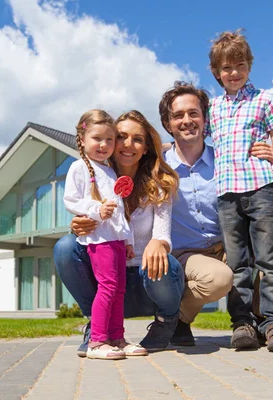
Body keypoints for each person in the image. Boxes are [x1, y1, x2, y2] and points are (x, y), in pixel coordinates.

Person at [157, 81, 273, 349]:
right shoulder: (160, 166)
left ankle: (264, 322)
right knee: (219, 277)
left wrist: (269, 157)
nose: (187, 121)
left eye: (194, 113)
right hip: (187, 255)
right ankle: (177, 318)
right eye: (178, 116)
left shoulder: (227, 160)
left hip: (227, 245)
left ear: (206, 119)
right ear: (168, 123)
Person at [54, 110, 184, 356]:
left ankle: (162, 325)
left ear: (146, 147)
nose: (127, 144)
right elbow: (78, 202)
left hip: (145, 279)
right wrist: (81, 222)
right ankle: (98, 332)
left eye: (137, 139)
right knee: (65, 246)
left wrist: (157, 242)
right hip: (107, 266)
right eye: (121, 137)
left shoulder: (157, 183)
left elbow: (162, 234)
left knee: (165, 261)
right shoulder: (95, 173)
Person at [206, 30, 273, 352]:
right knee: (238, 265)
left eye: (240, 65)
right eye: (227, 68)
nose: (234, 73)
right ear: (217, 73)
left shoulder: (265, 99)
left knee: (271, 261)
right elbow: (197, 143)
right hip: (227, 194)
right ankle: (242, 324)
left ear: (249, 66)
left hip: (261, 188)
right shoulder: (212, 108)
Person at [63, 109, 138, 360]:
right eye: (97, 138)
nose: (104, 145)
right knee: (107, 287)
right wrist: (96, 210)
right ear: (82, 139)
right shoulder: (79, 168)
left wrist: (127, 240)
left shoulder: (110, 171)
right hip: (99, 240)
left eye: (109, 139)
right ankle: (97, 341)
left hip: (115, 240)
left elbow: (119, 212)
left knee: (119, 290)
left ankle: (117, 337)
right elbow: (71, 200)